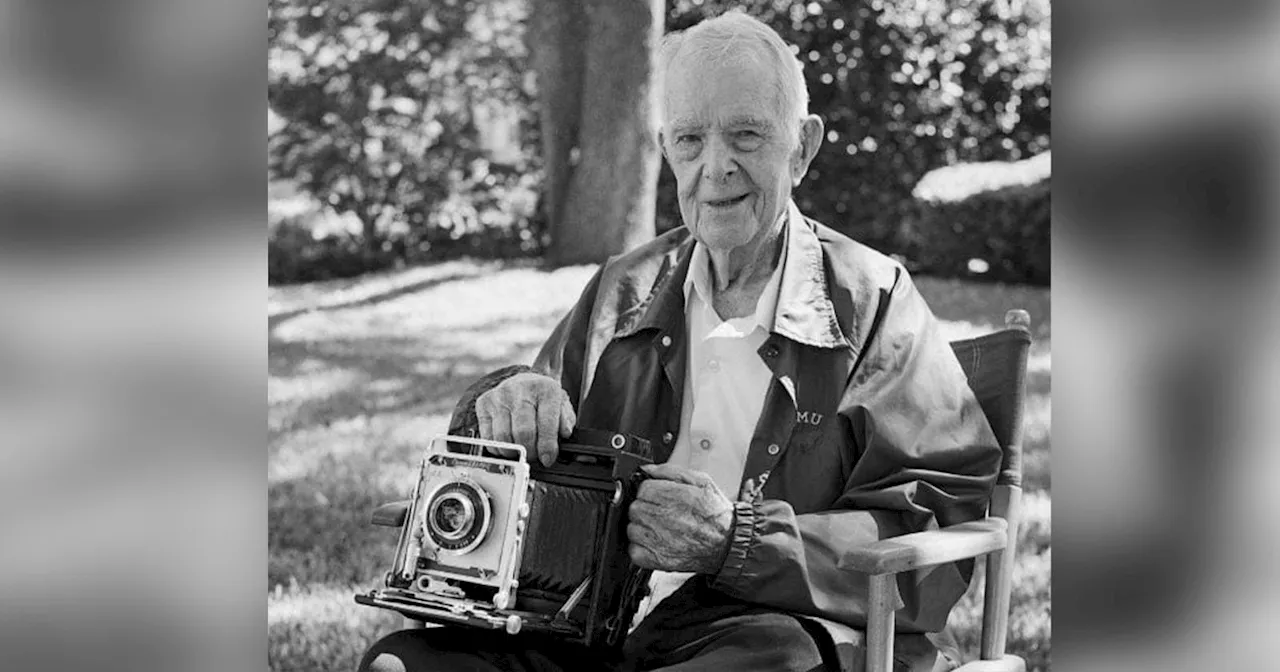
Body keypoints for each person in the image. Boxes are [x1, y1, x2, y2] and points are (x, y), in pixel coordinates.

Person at [358, 11, 1001, 672]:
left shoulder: (872, 300)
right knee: (403, 663)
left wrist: (736, 542)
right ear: (666, 149)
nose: (714, 167)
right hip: (585, 628)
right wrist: (505, 396)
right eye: (690, 138)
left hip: (772, 632)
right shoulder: (623, 287)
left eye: (746, 135)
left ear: (802, 148)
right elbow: (519, 449)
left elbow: (931, 535)